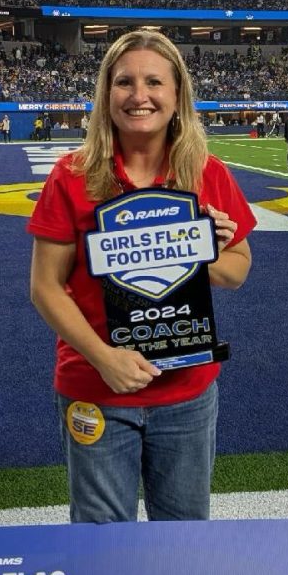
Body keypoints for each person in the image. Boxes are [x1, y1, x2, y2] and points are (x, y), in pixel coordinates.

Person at [28, 29, 255, 525]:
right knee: (102, 538)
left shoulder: (207, 172)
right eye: (124, 82)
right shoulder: (72, 175)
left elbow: (237, 269)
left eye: (154, 81)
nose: (139, 95)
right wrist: (104, 357)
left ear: (177, 95)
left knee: (183, 535)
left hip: (187, 391)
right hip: (97, 387)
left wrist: (200, 252)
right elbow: (45, 287)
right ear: (106, 94)